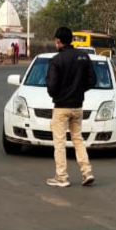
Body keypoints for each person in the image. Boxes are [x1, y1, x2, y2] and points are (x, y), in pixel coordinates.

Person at [45, 27, 97, 187]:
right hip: (77, 106)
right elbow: (92, 81)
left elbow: (51, 87)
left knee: (59, 142)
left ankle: (62, 177)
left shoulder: (56, 60)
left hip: (61, 107)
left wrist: (59, 94)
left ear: (58, 41)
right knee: (78, 139)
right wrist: (78, 90)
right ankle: (87, 172)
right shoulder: (84, 56)